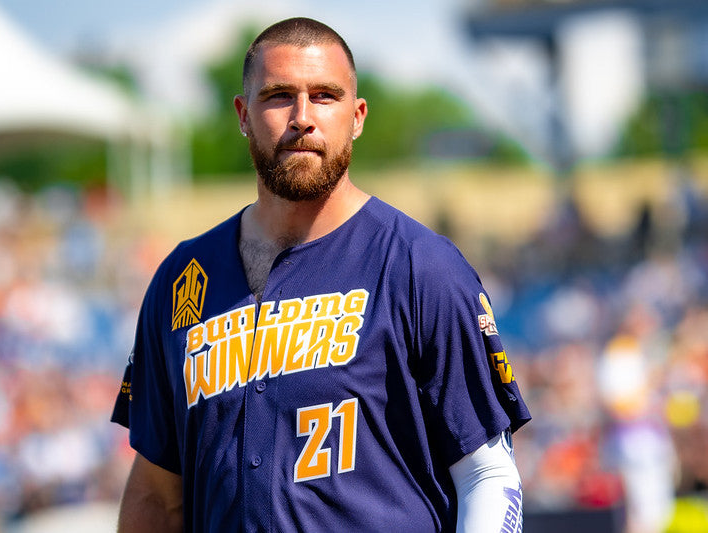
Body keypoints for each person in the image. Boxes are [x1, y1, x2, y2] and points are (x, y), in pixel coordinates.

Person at [112, 17, 531, 532]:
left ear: (356, 117)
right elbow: (157, 492)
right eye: (279, 95)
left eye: (325, 96)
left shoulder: (422, 268)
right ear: (243, 114)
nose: (302, 117)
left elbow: (488, 474)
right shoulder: (181, 279)